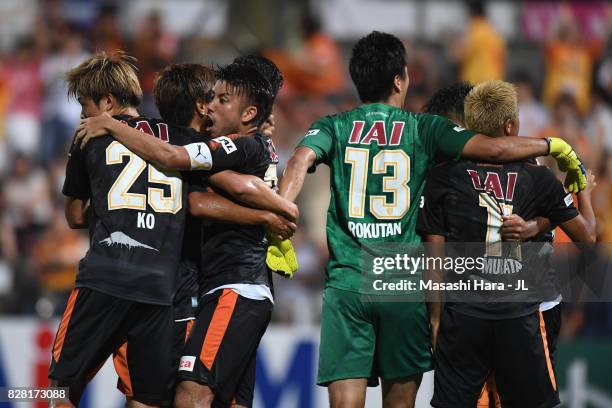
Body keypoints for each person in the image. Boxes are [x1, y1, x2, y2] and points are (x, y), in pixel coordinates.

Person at [278, 31, 586, 408]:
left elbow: (298, 161)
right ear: (399, 79)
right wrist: (556, 146)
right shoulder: (423, 128)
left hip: (348, 284)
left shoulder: (333, 126)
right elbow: (494, 147)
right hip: (403, 286)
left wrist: (280, 216)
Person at [416, 80, 596, 407]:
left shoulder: (443, 176)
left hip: (464, 315)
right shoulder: (537, 176)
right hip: (520, 313)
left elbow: (435, 258)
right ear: (512, 124)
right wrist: (580, 184)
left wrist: (436, 317)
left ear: (470, 126)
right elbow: (588, 236)